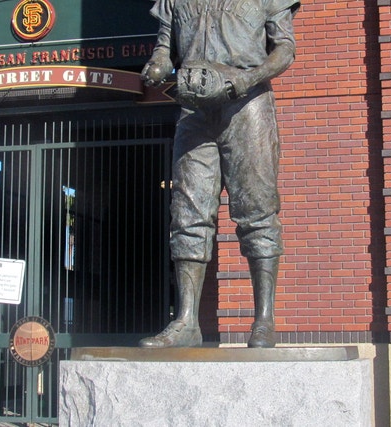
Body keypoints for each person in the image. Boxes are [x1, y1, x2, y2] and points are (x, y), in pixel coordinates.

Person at [139, 0, 301, 349]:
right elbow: (165, 49)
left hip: (248, 103)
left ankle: (263, 319)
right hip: (194, 109)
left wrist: (249, 77)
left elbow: (285, 48)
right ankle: (186, 322)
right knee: (188, 212)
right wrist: (157, 65)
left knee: (257, 209)